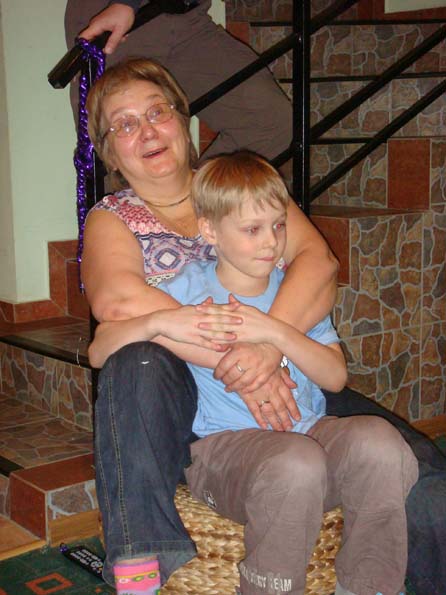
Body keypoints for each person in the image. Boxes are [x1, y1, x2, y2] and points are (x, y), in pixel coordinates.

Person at [89, 151, 419, 595]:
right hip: (225, 452)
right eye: (252, 230)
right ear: (210, 231)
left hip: (310, 431)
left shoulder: (291, 292)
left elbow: (335, 377)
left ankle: (369, 586)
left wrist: (275, 334)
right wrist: (159, 322)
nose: (271, 243)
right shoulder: (190, 291)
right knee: (296, 463)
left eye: (279, 225)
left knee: (381, 443)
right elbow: (100, 350)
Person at [82, 56, 339, 588]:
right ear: (109, 151)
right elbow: (120, 306)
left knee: (407, 460)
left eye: (157, 112)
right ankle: (140, 562)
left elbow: (319, 263)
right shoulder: (113, 216)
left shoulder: (239, 184)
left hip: (288, 373)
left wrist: (267, 352)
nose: (146, 131)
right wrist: (240, 367)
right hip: (187, 396)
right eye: (124, 124)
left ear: (183, 118)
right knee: (136, 360)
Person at [64, 0, 293, 164]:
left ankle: (195, 205)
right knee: (122, 156)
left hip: (188, 19)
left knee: (271, 121)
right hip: (117, 18)